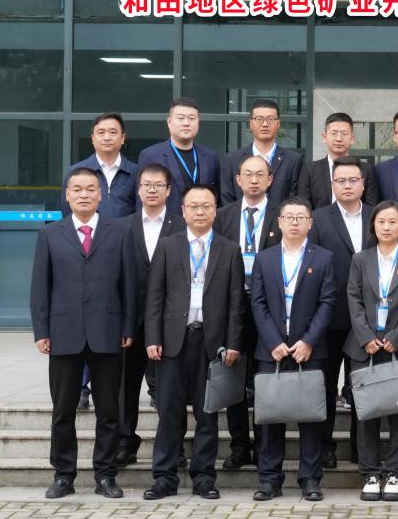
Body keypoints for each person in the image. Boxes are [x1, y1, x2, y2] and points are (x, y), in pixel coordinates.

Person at [30, 167, 138, 499]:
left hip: (108, 332)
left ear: (100, 194)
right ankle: (64, 474)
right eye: (77, 189)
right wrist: (42, 330)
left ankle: (106, 475)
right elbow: (40, 288)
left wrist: (128, 326)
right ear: (67, 195)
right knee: (63, 410)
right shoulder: (50, 234)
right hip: (64, 333)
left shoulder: (120, 232)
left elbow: (130, 286)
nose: (84, 194)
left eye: (90, 189)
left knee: (109, 411)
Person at [143, 185, 245, 500]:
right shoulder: (167, 246)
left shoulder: (229, 249)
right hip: (172, 341)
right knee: (169, 413)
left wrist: (233, 343)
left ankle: (204, 478)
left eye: (206, 206)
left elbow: (236, 303)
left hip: (211, 343)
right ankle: (164, 477)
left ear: (215, 211)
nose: (200, 212)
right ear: (184, 211)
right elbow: (155, 296)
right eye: (194, 206)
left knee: (207, 413)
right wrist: (152, 337)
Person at [250, 198, 337, 502]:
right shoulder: (264, 259)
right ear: (280, 222)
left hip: (309, 350)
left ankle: (310, 478)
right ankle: (269, 479)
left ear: (310, 223)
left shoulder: (324, 258)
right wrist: (272, 341)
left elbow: (328, 302)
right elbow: (257, 302)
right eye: (289, 217)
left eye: (301, 217)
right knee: (270, 417)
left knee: (311, 418)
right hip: (271, 350)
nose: (295, 222)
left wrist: (309, 341)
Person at [344, 201, 398, 502]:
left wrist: (396, 336)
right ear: (373, 226)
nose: (387, 227)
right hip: (364, 347)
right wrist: (366, 336)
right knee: (366, 413)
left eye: (393, 221)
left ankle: (394, 473)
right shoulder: (360, 259)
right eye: (381, 222)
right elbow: (353, 299)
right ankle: (369, 473)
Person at [61, 112, 138, 410]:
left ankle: (110, 388)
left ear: (123, 138)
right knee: (83, 320)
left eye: (113, 132)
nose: (107, 137)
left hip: (120, 254)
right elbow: (66, 216)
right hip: (84, 255)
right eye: (101, 132)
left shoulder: (134, 173)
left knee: (111, 321)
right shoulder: (77, 172)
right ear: (93, 138)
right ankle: (81, 387)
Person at [213, 155, 283, 470]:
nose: (254, 180)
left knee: (266, 377)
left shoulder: (283, 215)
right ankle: (239, 445)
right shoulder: (223, 216)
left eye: (260, 175)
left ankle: (265, 445)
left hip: (270, 306)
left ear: (270, 180)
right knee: (234, 375)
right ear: (238, 180)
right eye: (248, 175)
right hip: (233, 305)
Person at [117, 164, 186, 467]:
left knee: (169, 389)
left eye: (159, 185)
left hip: (169, 320)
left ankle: (173, 447)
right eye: (147, 185)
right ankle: (125, 443)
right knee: (126, 386)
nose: (152, 190)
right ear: (139, 189)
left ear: (169, 191)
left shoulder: (182, 225)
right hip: (131, 321)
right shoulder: (122, 226)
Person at [309, 156, 375, 468]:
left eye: (353, 180)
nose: (347, 185)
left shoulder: (377, 216)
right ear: (332, 184)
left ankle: (361, 447)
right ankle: (325, 447)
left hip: (369, 318)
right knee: (325, 385)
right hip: (330, 317)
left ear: (363, 183)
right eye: (341, 181)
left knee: (362, 385)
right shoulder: (318, 218)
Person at [138, 97, 222, 214]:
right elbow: (140, 198)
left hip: (201, 221)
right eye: (181, 118)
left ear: (198, 123)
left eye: (191, 118)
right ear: (169, 122)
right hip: (167, 223)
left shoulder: (210, 157)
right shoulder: (150, 155)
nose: (186, 123)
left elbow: (218, 198)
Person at [221, 99, 303, 205]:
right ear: (251, 123)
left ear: (278, 124)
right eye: (259, 119)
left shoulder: (293, 160)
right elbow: (227, 199)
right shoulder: (232, 160)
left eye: (270, 119)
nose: (265, 124)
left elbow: (295, 201)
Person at [297, 112, 379, 208]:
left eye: (344, 134)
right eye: (334, 133)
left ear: (352, 139)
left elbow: (371, 208)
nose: (339, 139)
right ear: (324, 137)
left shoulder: (366, 170)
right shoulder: (309, 170)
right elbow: (303, 207)